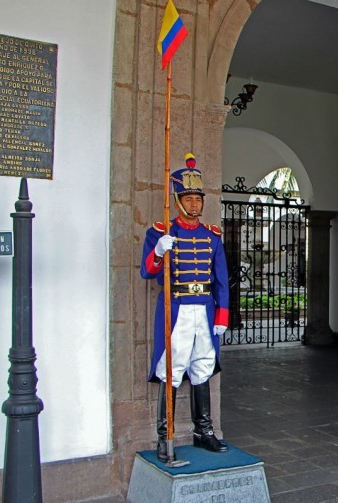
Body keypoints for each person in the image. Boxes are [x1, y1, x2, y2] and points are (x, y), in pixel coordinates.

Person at [140, 152, 230, 462]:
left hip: (204, 310)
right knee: (172, 369)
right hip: (176, 309)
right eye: (188, 198)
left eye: (198, 198)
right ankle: (164, 437)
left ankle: (203, 431)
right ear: (178, 199)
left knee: (203, 367)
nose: (194, 204)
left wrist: (222, 315)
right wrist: (158, 250)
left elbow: (221, 279)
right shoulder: (162, 233)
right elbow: (147, 272)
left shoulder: (212, 236)